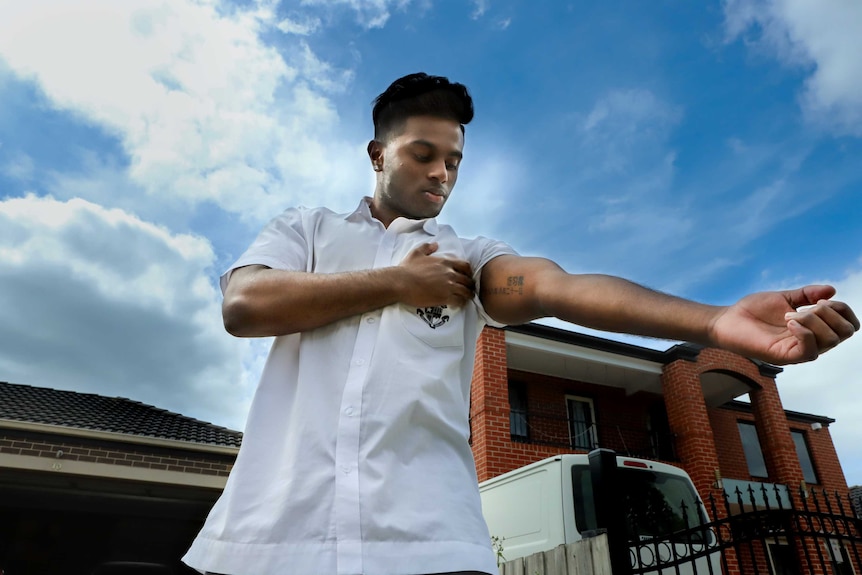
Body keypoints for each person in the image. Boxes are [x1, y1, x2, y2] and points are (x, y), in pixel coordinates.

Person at [183, 72, 859, 575]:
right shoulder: (306, 230)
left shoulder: (470, 258)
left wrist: (714, 319)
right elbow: (246, 305)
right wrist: (397, 282)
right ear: (377, 152)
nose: (442, 173)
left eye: (454, 161)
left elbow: (556, 286)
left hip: (431, 547)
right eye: (423, 153)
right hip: (266, 542)